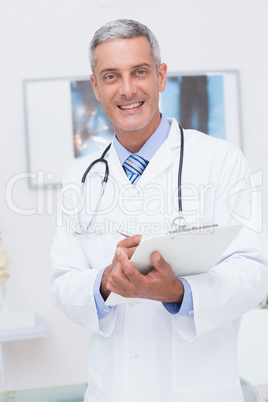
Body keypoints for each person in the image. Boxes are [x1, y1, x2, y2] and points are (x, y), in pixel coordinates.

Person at [51, 19, 268, 402]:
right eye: (111, 76)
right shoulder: (78, 179)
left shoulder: (220, 161)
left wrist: (178, 292)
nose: (128, 89)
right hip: (112, 391)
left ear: (161, 76)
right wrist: (105, 282)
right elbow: (63, 282)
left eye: (139, 72)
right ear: (96, 88)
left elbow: (253, 272)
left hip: (199, 391)